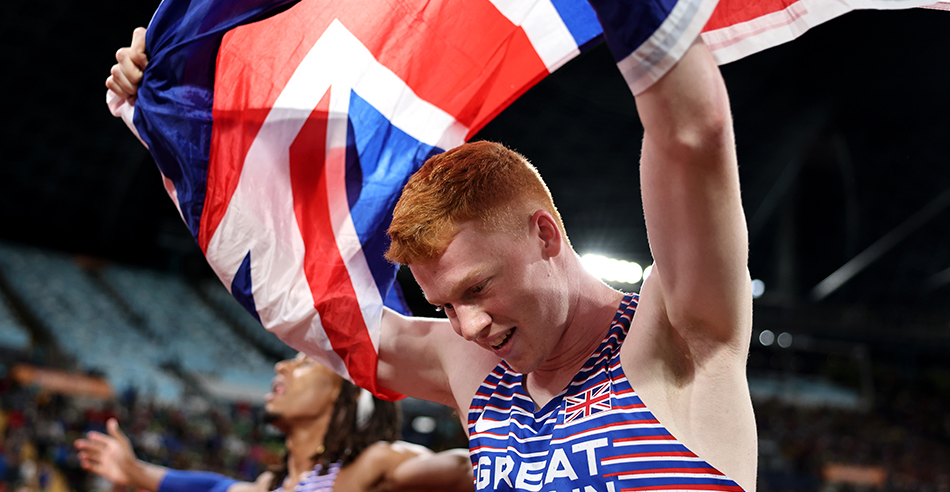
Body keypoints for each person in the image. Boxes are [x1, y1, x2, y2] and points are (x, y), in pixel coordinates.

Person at [108, 26, 755, 490]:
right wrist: (174, 135)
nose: (469, 326)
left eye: (477, 289)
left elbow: (690, 136)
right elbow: (300, 303)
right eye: (443, 305)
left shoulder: (676, 334)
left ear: (545, 236)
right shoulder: (474, 368)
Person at [75, 353, 473, 492]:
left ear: (346, 393)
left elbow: (462, 469)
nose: (283, 365)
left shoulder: (373, 466)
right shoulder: (275, 486)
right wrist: (134, 470)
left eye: (303, 360)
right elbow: (215, 487)